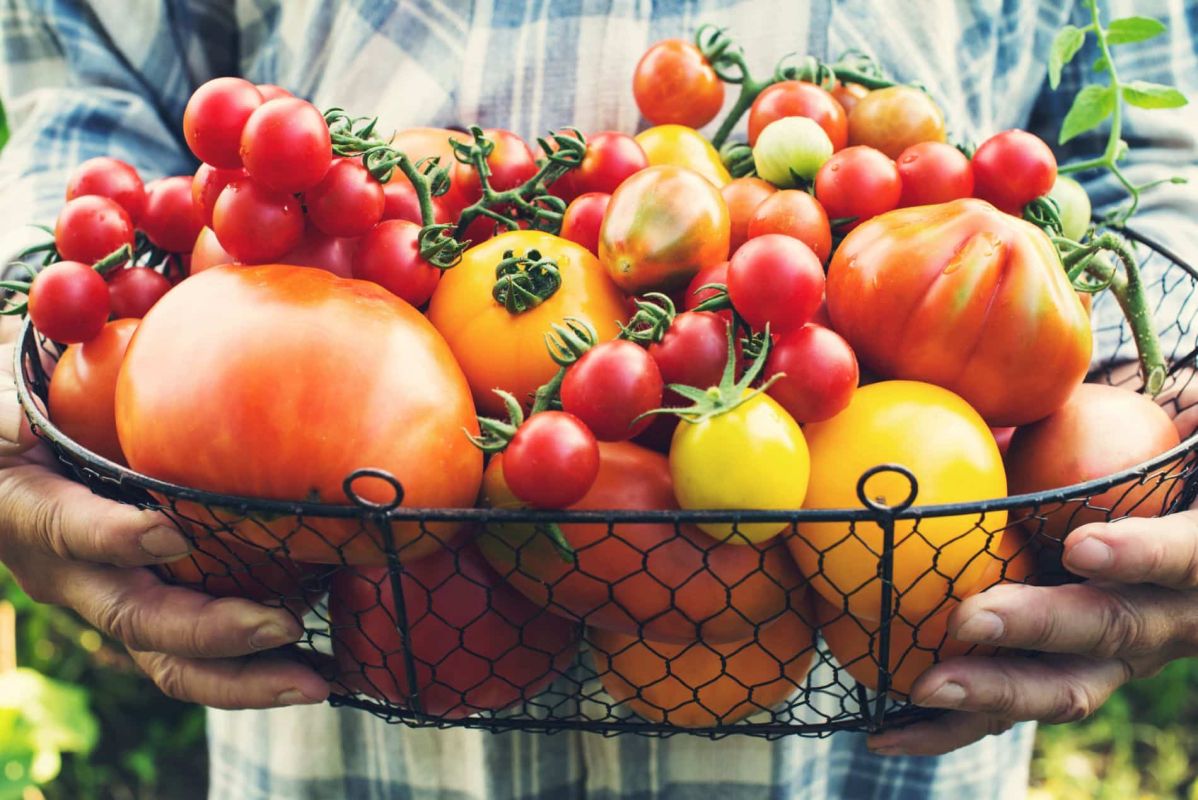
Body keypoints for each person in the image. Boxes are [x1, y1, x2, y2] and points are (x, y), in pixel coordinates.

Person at [0, 1, 1195, 797]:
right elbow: (84, 80)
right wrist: (32, 340)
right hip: (333, 669)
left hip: (885, 722)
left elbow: (1161, 151)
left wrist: (1170, 395)